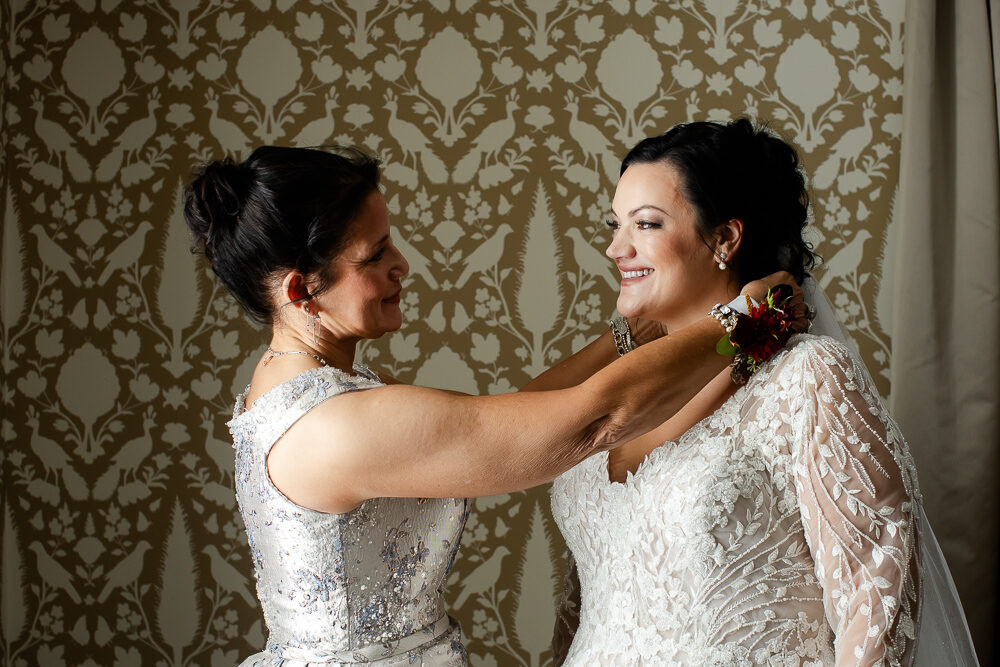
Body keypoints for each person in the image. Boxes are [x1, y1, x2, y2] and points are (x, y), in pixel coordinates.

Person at [183, 145, 805, 666]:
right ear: (301, 290)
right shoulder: (334, 426)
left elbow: (500, 418)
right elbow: (593, 420)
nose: (403, 265)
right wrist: (745, 319)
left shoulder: (300, 389)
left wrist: (621, 339)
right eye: (374, 257)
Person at [549, 119, 979, 666]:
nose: (616, 248)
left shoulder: (807, 378)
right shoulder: (614, 388)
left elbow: (877, 596)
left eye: (646, 224)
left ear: (725, 238)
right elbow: (588, 605)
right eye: (615, 226)